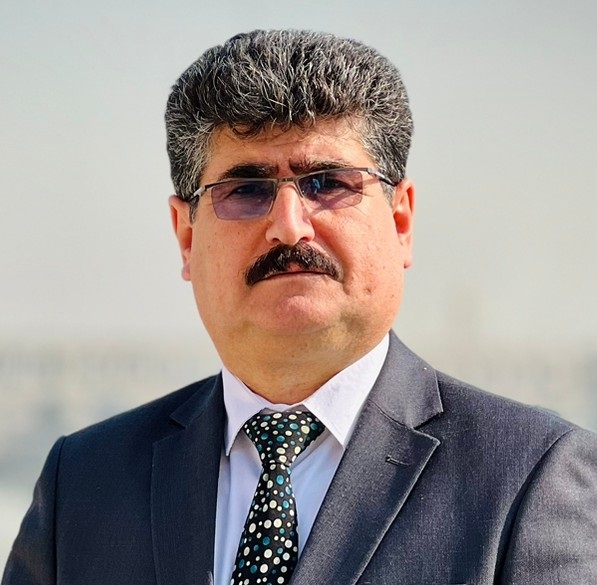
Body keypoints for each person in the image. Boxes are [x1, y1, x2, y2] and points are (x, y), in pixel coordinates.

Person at [3, 29, 597, 585]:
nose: (289, 227)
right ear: (186, 236)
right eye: (245, 190)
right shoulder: (84, 484)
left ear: (401, 221)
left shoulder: (530, 479)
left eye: (328, 184)